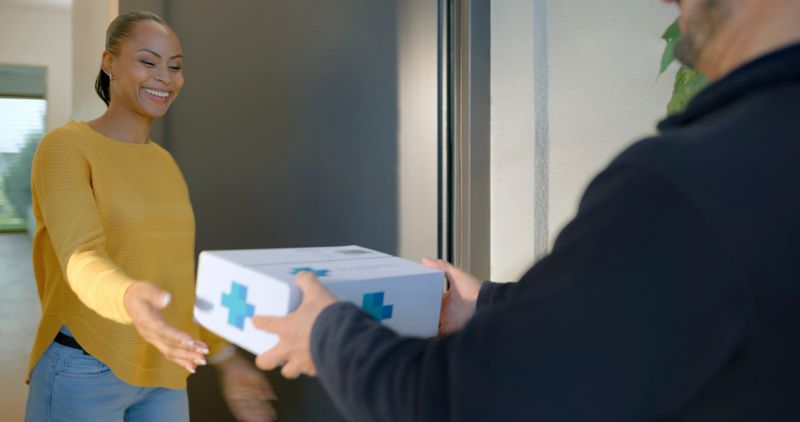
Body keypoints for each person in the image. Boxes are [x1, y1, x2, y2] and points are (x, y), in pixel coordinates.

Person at [253, 0, 800, 420]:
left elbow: (459, 404)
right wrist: (488, 307)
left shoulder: (678, 187)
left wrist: (326, 332)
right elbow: (663, 315)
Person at [25, 11, 275, 422]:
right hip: (85, 368)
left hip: (163, 370)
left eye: (175, 66)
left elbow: (177, 280)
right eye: (148, 61)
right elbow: (80, 258)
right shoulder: (66, 148)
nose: (165, 77)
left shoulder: (165, 164)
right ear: (110, 63)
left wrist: (227, 358)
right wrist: (129, 299)